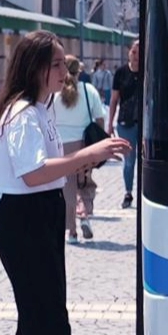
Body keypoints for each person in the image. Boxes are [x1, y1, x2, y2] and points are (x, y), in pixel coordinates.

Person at [0, 31, 131, 335]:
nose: (63, 72)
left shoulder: (37, 108)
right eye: (55, 64)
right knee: (48, 321)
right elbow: (34, 173)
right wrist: (89, 154)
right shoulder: (23, 113)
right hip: (26, 218)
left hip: (37, 215)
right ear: (34, 66)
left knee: (36, 319)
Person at [51, 55, 106, 242]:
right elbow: (99, 118)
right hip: (84, 144)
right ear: (79, 71)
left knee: (67, 188)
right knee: (85, 183)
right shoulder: (89, 90)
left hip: (61, 145)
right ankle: (84, 215)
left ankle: (72, 231)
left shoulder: (55, 93)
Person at [105, 41, 141, 209]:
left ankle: (144, 192)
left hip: (143, 124)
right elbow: (114, 100)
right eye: (133, 51)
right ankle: (128, 192)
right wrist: (110, 123)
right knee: (129, 160)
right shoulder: (120, 73)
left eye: (138, 52)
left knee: (145, 159)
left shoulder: (148, 71)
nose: (135, 55)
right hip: (125, 123)